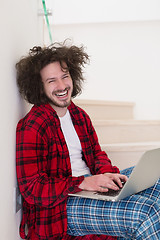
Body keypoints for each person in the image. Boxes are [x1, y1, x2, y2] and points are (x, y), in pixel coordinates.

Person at [16, 41, 160, 240]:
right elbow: (32, 188)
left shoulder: (78, 115)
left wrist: (106, 174)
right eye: (51, 81)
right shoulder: (33, 126)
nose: (62, 86)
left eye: (64, 76)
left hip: (91, 188)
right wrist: (84, 182)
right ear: (39, 88)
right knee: (145, 213)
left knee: (157, 184)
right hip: (62, 207)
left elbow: (97, 154)